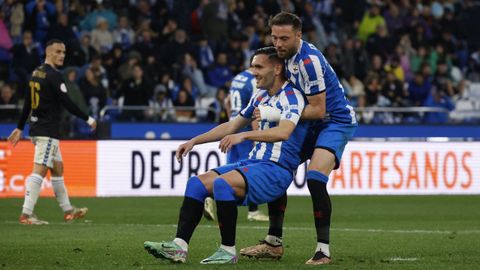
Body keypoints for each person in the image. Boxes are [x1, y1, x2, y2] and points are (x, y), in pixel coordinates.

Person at [143, 47, 308, 264]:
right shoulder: (260, 95)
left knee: (222, 184)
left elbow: (284, 132)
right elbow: (232, 125)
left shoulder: (292, 96)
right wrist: (194, 141)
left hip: (277, 169)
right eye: (252, 66)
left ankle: (228, 251)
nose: (253, 71)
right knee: (196, 184)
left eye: (258, 66)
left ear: (277, 68)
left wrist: (245, 136)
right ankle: (179, 247)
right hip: (256, 162)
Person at [240, 12, 357, 265]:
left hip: (334, 120)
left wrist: (273, 113)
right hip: (309, 121)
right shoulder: (280, 57)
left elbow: (319, 109)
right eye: (274, 37)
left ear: (299, 36)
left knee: (315, 177)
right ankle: (273, 243)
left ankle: (323, 251)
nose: (278, 43)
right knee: (277, 166)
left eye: (285, 38)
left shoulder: (308, 61)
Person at [7, 39, 97, 225]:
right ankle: (26, 214)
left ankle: (68, 211)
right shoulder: (54, 75)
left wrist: (19, 127)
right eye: (57, 52)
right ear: (48, 53)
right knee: (39, 170)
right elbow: (67, 101)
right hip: (47, 130)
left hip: (38, 129)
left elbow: (27, 102)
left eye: (63, 52)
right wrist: (87, 118)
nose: (61, 55)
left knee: (57, 169)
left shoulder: (35, 73)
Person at [203, 67, 269, 222]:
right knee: (250, 173)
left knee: (229, 172)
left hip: (233, 128)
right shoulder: (254, 80)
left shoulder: (238, 77)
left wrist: (231, 122)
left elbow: (227, 102)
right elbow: (255, 111)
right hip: (243, 132)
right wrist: (256, 138)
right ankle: (252, 211)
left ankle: (214, 198)